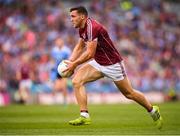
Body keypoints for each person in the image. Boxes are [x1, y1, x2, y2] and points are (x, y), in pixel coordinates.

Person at [64, 6, 163, 129]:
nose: (71, 19)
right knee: (76, 81)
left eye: (73, 16)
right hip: (98, 63)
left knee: (129, 93)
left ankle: (152, 110)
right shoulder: (82, 28)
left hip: (113, 64)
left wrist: (75, 64)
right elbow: (79, 47)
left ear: (82, 16)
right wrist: (70, 61)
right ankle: (84, 115)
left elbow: (90, 53)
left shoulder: (92, 27)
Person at [51, 37, 71, 105]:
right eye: (57, 42)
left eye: (59, 41)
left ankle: (65, 101)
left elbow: (69, 59)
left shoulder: (66, 50)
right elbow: (53, 59)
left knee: (63, 87)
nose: (58, 43)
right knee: (55, 87)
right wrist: (52, 67)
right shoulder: (54, 50)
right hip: (56, 71)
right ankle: (54, 101)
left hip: (63, 70)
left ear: (62, 42)